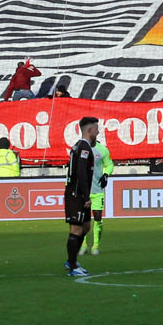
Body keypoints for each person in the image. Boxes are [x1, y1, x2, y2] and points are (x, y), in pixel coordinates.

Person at [63, 116, 99, 278]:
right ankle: (72, 265)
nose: (98, 132)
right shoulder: (84, 147)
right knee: (76, 229)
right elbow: (81, 173)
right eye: (97, 129)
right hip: (76, 194)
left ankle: (72, 261)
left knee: (86, 227)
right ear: (90, 130)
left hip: (78, 193)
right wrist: (85, 196)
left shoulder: (79, 146)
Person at [83, 133, 114, 256]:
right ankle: (83, 244)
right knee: (83, 219)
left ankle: (96, 245)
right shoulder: (81, 150)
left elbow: (110, 164)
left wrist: (106, 175)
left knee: (97, 218)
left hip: (97, 190)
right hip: (83, 191)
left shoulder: (102, 150)